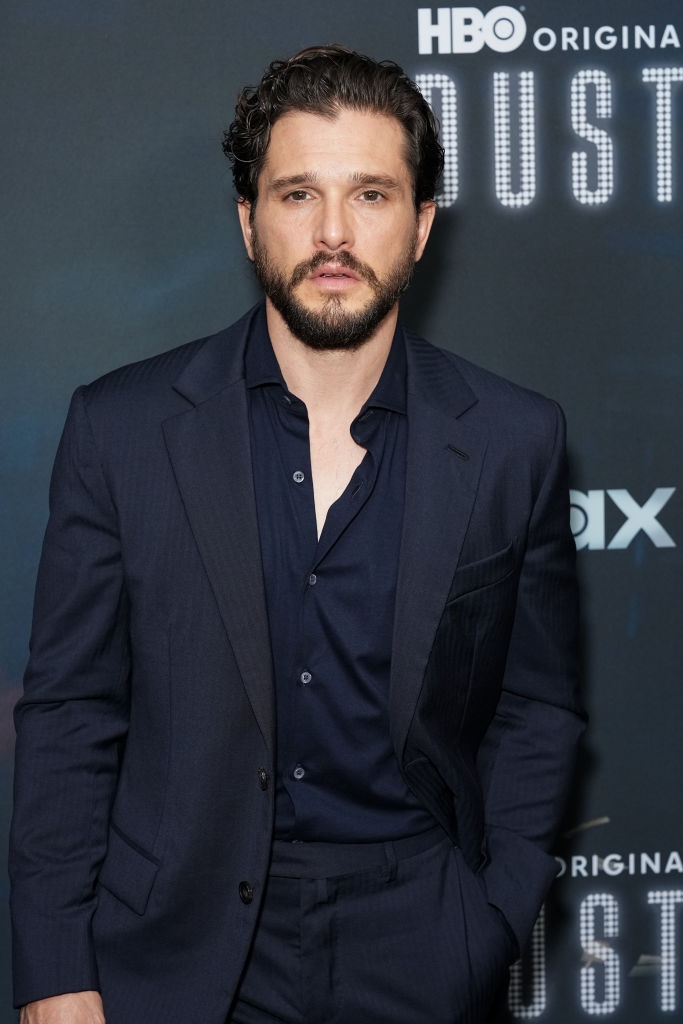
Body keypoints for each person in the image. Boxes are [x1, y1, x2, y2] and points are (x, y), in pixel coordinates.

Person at [9, 44, 584, 1024]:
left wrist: (485, 921)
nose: (331, 233)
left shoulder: (512, 439)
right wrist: (57, 973)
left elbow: (536, 712)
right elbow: (70, 716)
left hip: (424, 950)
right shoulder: (122, 428)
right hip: (176, 955)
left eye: (368, 195)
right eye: (295, 196)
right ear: (246, 223)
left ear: (420, 226)